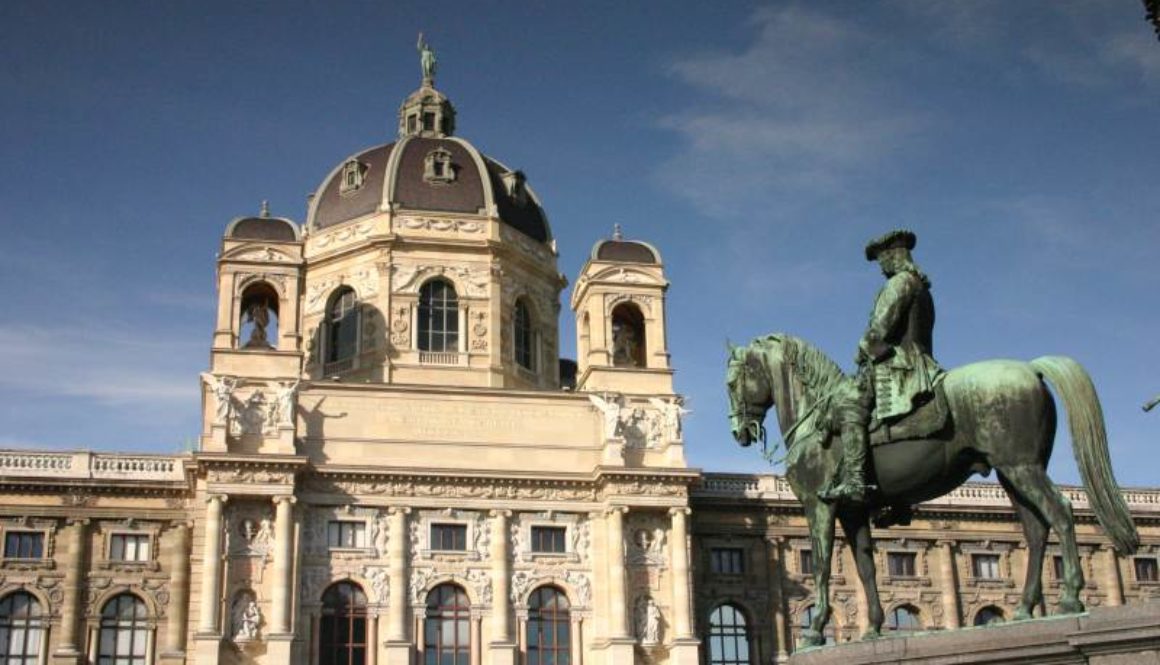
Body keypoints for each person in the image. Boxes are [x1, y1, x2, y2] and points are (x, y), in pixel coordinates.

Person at [819, 230, 941, 504]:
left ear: (893, 256)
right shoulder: (922, 287)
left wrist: (863, 348)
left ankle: (855, 480)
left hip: (900, 367)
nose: (881, 266)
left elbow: (879, 331)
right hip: (921, 362)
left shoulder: (899, 284)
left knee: (850, 406)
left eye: (882, 258)